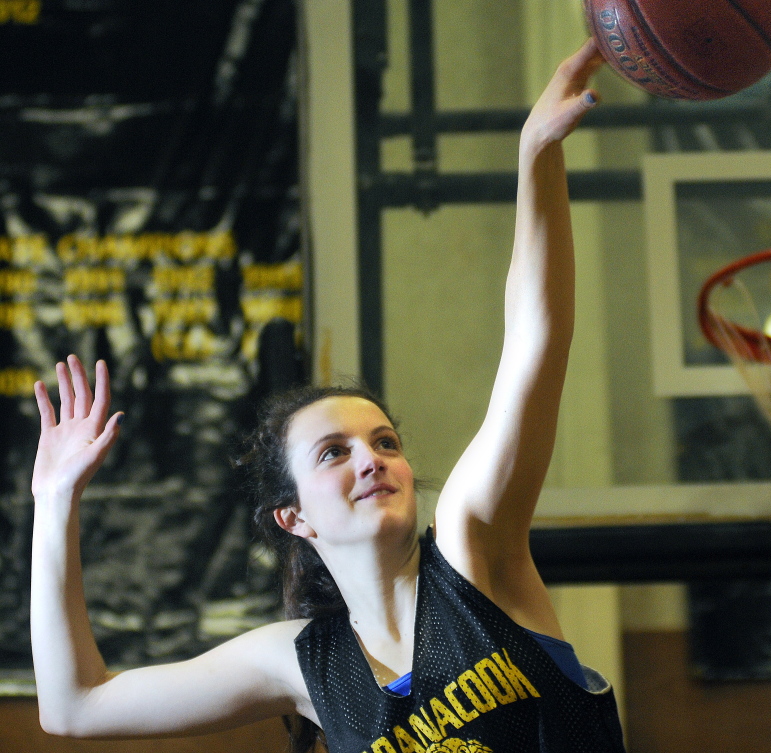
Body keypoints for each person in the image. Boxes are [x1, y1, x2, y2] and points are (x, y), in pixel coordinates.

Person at [30, 39, 626, 753]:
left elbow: (534, 341)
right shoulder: (300, 664)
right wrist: (54, 501)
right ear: (294, 516)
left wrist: (536, 157)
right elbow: (74, 705)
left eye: (385, 442)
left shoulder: (474, 546)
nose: (372, 459)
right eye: (335, 452)